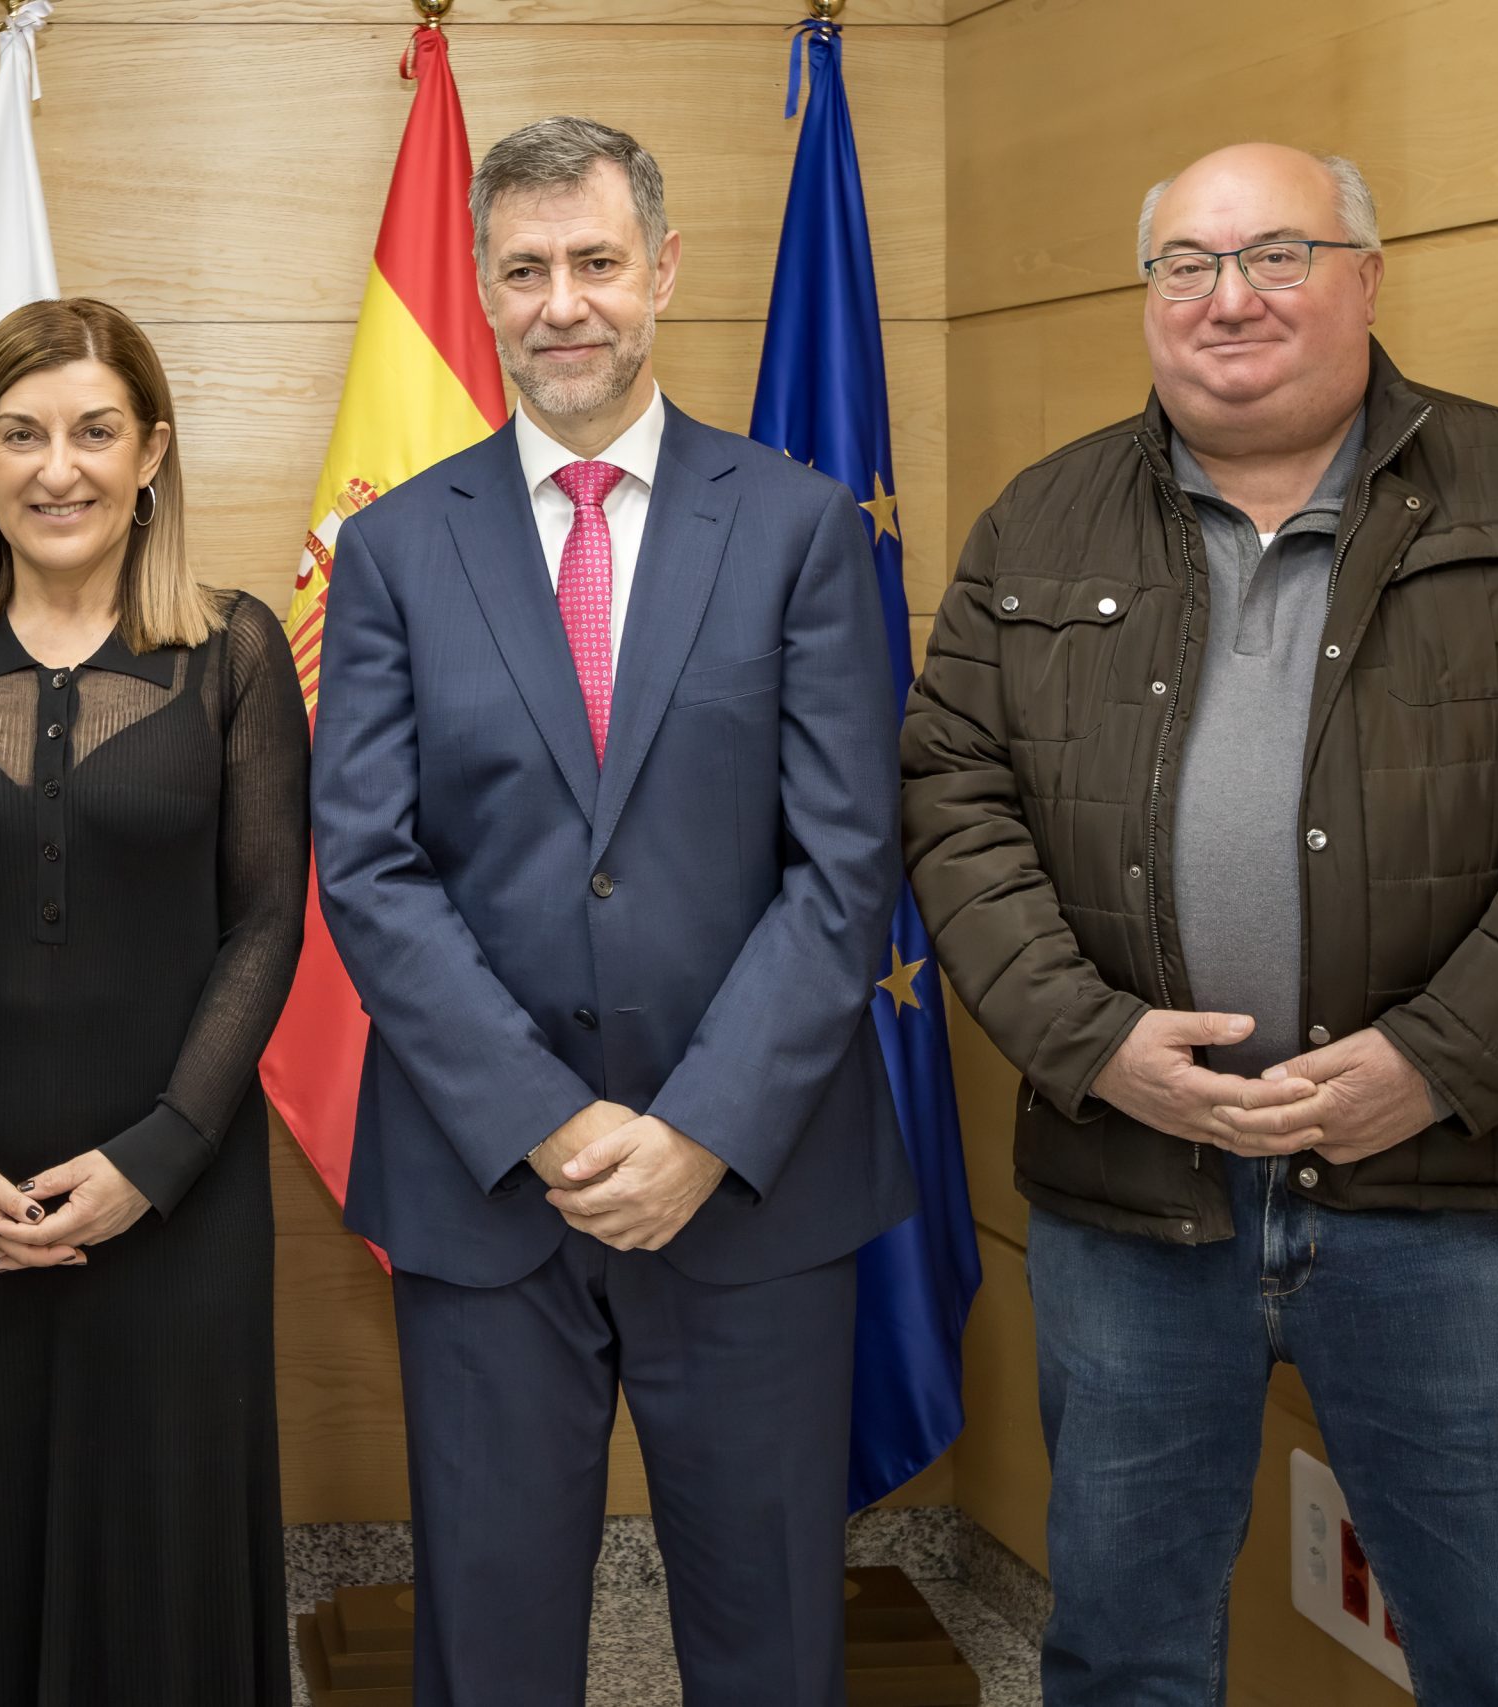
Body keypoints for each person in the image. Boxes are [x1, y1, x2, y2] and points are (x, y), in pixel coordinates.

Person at [902, 143, 1498, 1705]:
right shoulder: (1039, 521)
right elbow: (953, 800)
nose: (1230, 299)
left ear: (1367, 274)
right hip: (1135, 1195)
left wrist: (1437, 1059)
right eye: (1188, 266)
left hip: (1455, 1199)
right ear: (1147, 297)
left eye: (1278, 254)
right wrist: (1094, 1045)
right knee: (1122, 1655)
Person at [310, 117, 913, 1707]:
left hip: (756, 1181)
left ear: (661, 271)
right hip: (488, 1182)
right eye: (523, 270)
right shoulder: (390, 549)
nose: (561, 302)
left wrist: (698, 1130)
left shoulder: (797, 528)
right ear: (486, 293)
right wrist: (548, 1119)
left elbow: (847, 863)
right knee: (493, 1635)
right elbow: (368, 863)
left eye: (593, 262)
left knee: (770, 1633)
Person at [0, 296, 307, 1703]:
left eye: (95, 431)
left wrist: (158, 1159)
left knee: (163, 1557)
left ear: (151, 451)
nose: (59, 467)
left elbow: (267, 922)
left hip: (178, 1195)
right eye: (22, 434)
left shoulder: (234, 652)